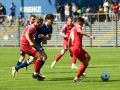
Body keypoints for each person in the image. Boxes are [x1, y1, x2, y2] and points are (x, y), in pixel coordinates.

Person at [68, 17, 95, 82]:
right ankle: (76, 78)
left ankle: (81, 71)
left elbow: (69, 41)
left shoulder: (72, 29)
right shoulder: (78, 26)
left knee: (88, 57)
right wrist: (89, 36)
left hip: (75, 48)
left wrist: (70, 51)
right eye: (82, 23)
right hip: (77, 48)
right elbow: (79, 31)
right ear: (80, 22)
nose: (82, 25)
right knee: (86, 63)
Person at [32, 13, 54, 79]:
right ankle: (36, 72)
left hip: (39, 43)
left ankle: (36, 72)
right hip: (35, 43)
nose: (52, 21)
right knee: (43, 57)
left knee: (34, 59)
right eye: (51, 20)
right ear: (47, 20)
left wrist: (44, 37)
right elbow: (33, 28)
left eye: (53, 20)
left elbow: (49, 38)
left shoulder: (50, 28)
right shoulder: (41, 25)